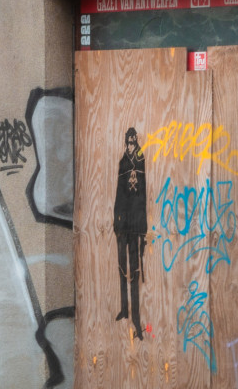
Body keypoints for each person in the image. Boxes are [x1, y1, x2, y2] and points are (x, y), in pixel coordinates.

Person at [113, 127, 147, 337]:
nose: (131, 145)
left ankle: (135, 315)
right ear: (126, 143)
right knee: (120, 267)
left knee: (134, 270)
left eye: (133, 141)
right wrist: (116, 220)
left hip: (135, 224)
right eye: (129, 142)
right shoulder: (123, 162)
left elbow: (143, 194)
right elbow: (118, 192)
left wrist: (142, 227)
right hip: (122, 224)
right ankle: (124, 309)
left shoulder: (140, 161)